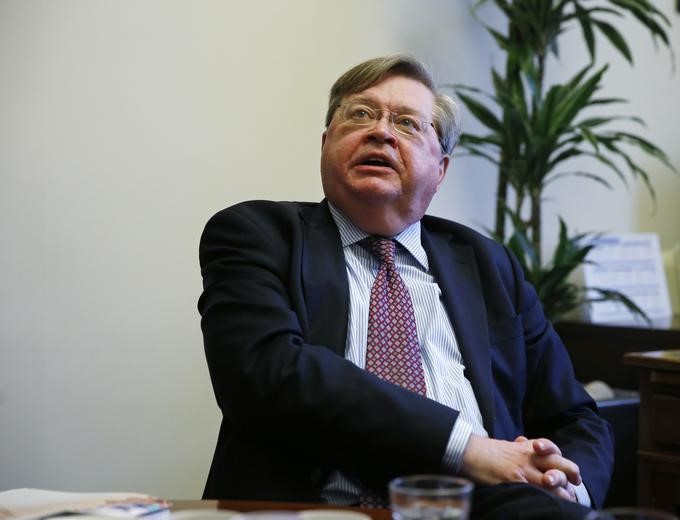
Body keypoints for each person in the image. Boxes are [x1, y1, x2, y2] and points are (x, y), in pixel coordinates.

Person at [198, 54, 614, 519]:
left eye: (408, 124)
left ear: (441, 169)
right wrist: (469, 450)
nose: (380, 131)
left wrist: (567, 486)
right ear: (325, 143)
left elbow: (575, 415)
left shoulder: (488, 265)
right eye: (360, 114)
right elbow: (266, 374)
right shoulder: (257, 234)